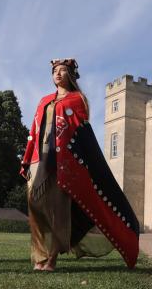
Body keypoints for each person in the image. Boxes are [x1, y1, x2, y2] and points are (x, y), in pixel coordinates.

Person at [20, 58, 140, 271]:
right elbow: (34, 131)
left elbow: (79, 132)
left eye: (63, 70)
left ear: (71, 75)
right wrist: (27, 158)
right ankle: (39, 256)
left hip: (62, 163)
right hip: (39, 158)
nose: (57, 74)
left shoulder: (77, 99)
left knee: (59, 211)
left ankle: (51, 260)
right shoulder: (44, 100)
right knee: (35, 206)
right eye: (55, 71)